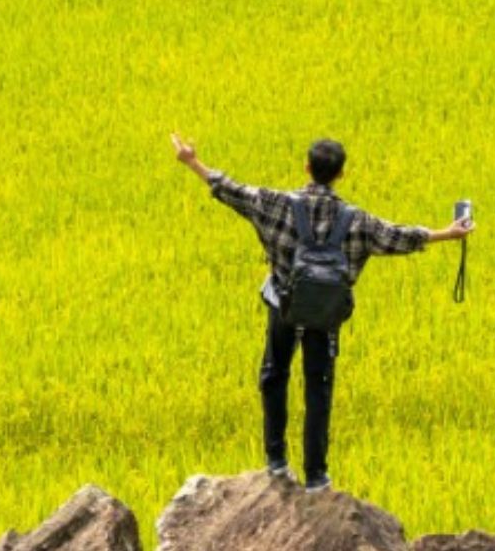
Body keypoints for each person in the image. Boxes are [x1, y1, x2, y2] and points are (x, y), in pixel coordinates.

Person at [171, 133, 474, 493]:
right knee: (318, 388)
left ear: (306, 167)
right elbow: (400, 237)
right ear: (341, 174)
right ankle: (316, 477)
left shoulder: (276, 204)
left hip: (284, 307)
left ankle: (277, 463)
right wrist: (449, 232)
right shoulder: (356, 221)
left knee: (274, 374)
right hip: (326, 316)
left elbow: (230, 189)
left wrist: (192, 161)